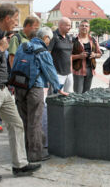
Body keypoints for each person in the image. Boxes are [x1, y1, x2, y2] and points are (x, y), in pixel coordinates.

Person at [0, 3, 41, 183]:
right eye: (15, 19)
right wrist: (1, 49)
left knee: (17, 124)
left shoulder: (2, 34)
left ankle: (20, 164)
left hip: (2, 89)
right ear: (7, 18)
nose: (16, 23)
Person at [13, 27, 69, 162]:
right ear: (46, 38)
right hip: (34, 88)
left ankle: (24, 151)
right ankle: (35, 155)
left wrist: (13, 85)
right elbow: (50, 72)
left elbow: (14, 65)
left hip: (19, 87)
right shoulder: (43, 51)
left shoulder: (23, 46)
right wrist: (58, 88)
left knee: (24, 121)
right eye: (50, 39)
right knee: (35, 122)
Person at [72, 19, 101, 93]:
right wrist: (79, 56)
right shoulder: (74, 40)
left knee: (86, 94)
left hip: (90, 70)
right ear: (79, 27)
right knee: (78, 94)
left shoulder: (93, 40)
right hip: (78, 70)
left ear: (89, 28)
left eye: (86, 26)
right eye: (82, 26)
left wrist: (94, 55)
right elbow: (68, 57)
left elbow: (100, 54)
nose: (84, 27)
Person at [48, 17, 73, 93]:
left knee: (69, 94)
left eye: (70, 25)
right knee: (55, 96)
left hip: (68, 73)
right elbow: (47, 54)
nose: (70, 27)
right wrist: (51, 71)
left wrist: (71, 68)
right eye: (68, 25)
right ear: (61, 25)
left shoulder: (68, 37)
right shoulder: (53, 36)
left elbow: (70, 54)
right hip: (57, 73)